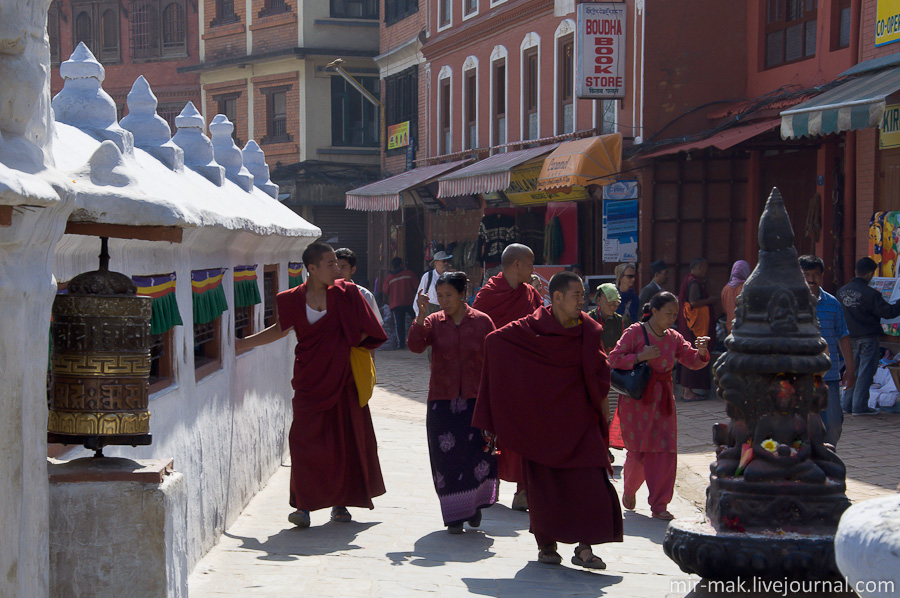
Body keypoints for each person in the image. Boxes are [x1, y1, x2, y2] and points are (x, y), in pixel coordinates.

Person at [474, 271, 623, 569]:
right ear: (557, 297)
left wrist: (602, 418)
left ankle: (585, 548)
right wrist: (518, 394)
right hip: (541, 423)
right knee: (545, 487)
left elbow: (599, 373)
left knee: (591, 484)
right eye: (576, 295)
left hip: (580, 422)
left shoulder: (588, 329)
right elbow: (494, 342)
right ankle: (547, 546)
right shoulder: (532, 327)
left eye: (582, 295)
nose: (581, 301)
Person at [236, 242, 388, 528]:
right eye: (330, 264)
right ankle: (303, 506)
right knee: (303, 441)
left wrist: (345, 345)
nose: (337, 269)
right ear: (312, 269)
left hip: (344, 378)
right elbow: (280, 329)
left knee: (344, 440)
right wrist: (243, 344)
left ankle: (341, 504)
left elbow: (371, 331)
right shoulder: (291, 299)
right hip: (309, 379)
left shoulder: (348, 294)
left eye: (337, 263)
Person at [407, 272, 498, 534]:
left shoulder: (482, 322)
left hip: (476, 400)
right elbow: (415, 345)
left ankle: (474, 506)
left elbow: (495, 357)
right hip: (442, 401)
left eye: (449, 295)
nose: (444, 300)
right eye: (440, 296)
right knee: (445, 459)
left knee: (477, 455)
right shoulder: (433, 322)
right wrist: (421, 315)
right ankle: (455, 516)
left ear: (462, 294)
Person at [608, 292, 710, 520]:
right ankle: (630, 489)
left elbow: (692, 361)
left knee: (665, 452)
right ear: (654, 311)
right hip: (637, 401)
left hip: (663, 401)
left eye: (675, 314)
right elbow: (613, 359)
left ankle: (659, 504)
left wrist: (702, 350)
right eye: (668, 313)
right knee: (639, 452)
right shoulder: (634, 332)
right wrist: (639, 357)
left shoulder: (674, 337)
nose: (672, 318)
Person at [472, 243, 544, 512]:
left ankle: (523, 490)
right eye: (530, 264)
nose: (533, 269)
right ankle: (490, 486)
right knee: (494, 431)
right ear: (517, 265)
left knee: (525, 432)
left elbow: (540, 327)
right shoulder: (489, 294)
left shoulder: (531, 294)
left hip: (526, 375)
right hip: (496, 373)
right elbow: (476, 330)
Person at [799, 255, 854, 445]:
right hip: (801, 376)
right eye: (806, 275)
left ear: (822, 276)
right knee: (803, 425)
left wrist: (850, 369)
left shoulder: (832, 303)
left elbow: (843, 336)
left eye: (815, 274)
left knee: (833, 424)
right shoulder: (791, 304)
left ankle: (828, 455)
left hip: (828, 375)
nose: (811, 279)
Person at [837, 257, 900, 415]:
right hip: (867, 338)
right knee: (865, 373)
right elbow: (889, 312)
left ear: (856, 270)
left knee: (852, 370)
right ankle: (859, 406)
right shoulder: (870, 294)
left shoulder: (841, 292)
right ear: (870, 273)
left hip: (848, 339)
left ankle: (847, 405)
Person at [675, 258, 717, 401]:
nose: (705, 271)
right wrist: (710, 301)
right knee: (691, 353)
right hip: (693, 326)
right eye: (704, 268)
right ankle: (687, 392)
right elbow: (693, 302)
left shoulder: (688, 280)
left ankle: (686, 391)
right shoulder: (694, 282)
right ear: (699, 267)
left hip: (689, 324)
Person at [336, 247, 382, 325]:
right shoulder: (324, 293)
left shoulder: (365, 295)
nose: (338, 271)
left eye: (343, 267)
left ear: (353, 270)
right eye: (336, 267)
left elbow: (374, 326)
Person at [383, 257, 417, 349]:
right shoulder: (409, 274)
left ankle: (401, 344)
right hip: (409, 302)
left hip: (396, 304)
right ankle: (418, 340)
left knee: (399, 324)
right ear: (401, 264)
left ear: (393, 266)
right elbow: (416, 286)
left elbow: (385, 290)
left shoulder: (389, 277)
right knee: (416, 321)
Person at [587, 283, 630, 353]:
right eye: (609, 304)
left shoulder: (618, 320)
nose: (612, 307)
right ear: (599, 300)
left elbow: (621, 343)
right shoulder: (589, 318)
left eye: (616, 303)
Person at [414, 251, 453, 317]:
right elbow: (419, 295)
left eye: (447, 261)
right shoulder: (428, 276)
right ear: (436, 262)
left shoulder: (450, 276)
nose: (446, 263)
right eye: (443, 261)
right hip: (431, 310)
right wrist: (418, 314)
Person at [720, 260, 750, 334]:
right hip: (745, 328)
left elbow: (725, 310)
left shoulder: (725, 289)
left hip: (730, 328)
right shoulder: (746, 288)